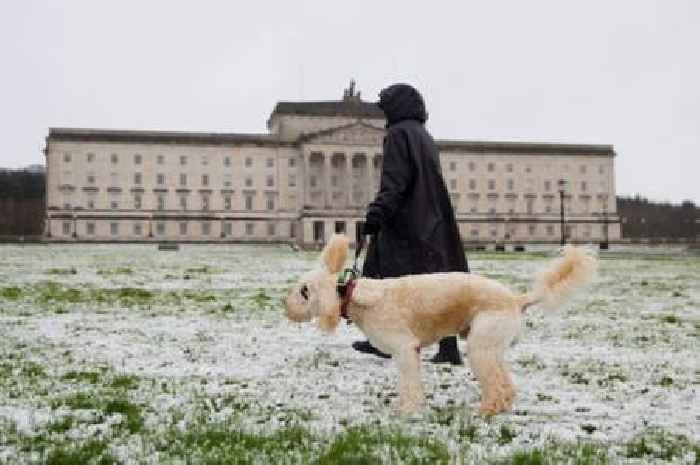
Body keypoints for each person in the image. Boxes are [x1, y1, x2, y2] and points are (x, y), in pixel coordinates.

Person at [352, 83, 469, 365]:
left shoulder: (397, 134)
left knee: (384, 281)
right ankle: (449, 348)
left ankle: (383, 341)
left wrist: (376, 214)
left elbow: (395, 181)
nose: (384, 116)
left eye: (386, 108)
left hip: (405, 222)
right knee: (437, 286)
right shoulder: (423, 136)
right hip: (433, 220)